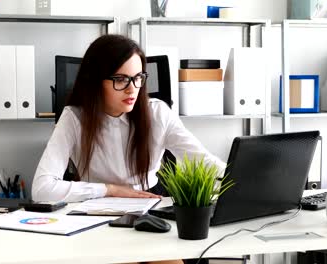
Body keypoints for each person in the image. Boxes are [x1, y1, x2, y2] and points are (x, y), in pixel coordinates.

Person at [32, 33, 221, 264]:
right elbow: (41, 189)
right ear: (95, 80)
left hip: (152, 203)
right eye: (121, 79)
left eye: (138, 77)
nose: (133, 89)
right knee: (123, 256)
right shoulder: (74, 118)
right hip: (98, 211)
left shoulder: (157, 112)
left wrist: (245, 178)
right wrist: (110, 189)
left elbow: (204, 162)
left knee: (165, 258)